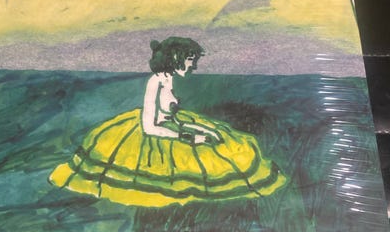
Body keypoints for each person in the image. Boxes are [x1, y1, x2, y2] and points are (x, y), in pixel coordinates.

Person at [50, 37, 286, 207]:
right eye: (191, 60)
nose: (194, 66)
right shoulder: (156, 81)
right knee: (199, 166)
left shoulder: (169, 79)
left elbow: (172, 118)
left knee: (226, 141)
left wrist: (201, 129)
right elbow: (149, 127)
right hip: (154, 135)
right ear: (176, 58)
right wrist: (190, 136)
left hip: (171, 126)